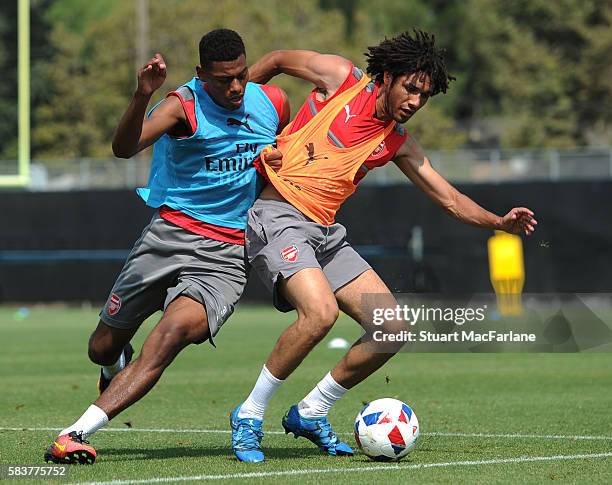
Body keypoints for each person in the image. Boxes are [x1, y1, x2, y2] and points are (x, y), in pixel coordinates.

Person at [230, 30, 537, 462]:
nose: (414, 101)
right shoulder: (341, 78)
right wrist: (235, 110)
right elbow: (278, 58)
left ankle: (312, 411)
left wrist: (498, 222)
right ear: (387, 77)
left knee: (392, 328)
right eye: (410, 88)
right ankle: (249, 414)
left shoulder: (397, 142)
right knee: (320, 314)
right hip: (277, 216)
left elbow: (449, 199)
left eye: (424, 96)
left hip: (324, 232)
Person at [44, 28, 289, 465]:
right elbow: (123, 149)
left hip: (227, 255)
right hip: (169, 238)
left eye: (241, 75)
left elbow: (286, 157)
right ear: (201, 74)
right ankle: (113, 366)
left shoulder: (272, 103)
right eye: (222, 80)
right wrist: (142, 96)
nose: (234, 88)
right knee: (101, 347)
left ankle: (75, 432)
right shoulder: (182, 107)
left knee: (170, 335)